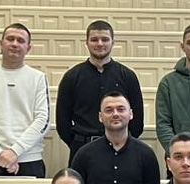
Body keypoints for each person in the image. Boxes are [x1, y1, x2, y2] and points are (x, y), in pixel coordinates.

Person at [57, 21, 145, 163]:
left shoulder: (127, 76)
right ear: (86, 43)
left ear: (113, 42)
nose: (99, 44)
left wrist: (123, 142)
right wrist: (76, 143)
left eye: (105, 39)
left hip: (121, 148)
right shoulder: (71, 77)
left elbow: (137, 120)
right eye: (94, 39)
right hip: (81, 148)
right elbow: (62, 121)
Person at [0, 23, 50, 177]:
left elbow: (43, 120)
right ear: (1, 44)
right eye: (10, 39)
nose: (15, 44)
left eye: (20, 40)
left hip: (29, 159)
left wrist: (15, 151)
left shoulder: (38, 78)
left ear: (28, 48)